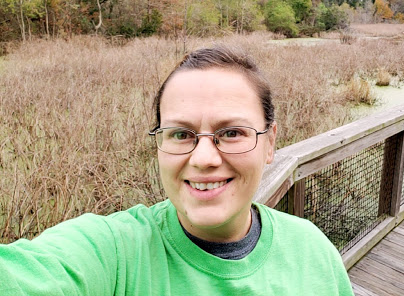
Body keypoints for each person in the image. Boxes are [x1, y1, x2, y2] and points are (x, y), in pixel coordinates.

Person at [0, 45, 354, 295]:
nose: (203, 158)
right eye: (181, 134)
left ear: (270, 143)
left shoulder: (313, 251)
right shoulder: (114, 253)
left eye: (231, 133)